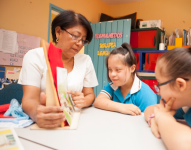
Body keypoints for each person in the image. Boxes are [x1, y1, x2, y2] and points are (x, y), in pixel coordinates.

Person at [18, 10, 98, 128]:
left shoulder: (85, 60)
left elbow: (90, 94)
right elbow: (29, 99)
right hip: (43, 123)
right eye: (75, 36)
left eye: (83, 40)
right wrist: (36, 113)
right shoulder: (34, 56)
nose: (79, 43)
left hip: (75, 121)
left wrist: (83, 101)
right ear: (58, 31)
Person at [144, 47, 191, 150]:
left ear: (180, 85)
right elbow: (151, 109)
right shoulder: (185, 105)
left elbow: (185, 144)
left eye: (159, 84)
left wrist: (162, 118)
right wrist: (153, 119)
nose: (158, 91)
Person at [94, 43, 157, 115]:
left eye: (118, 69)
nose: (112, 74)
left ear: (132, 68)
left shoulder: (146, 94)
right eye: (110, 69)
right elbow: (98, 101)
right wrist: (122, 107)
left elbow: (151, 120)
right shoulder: (113, 85)